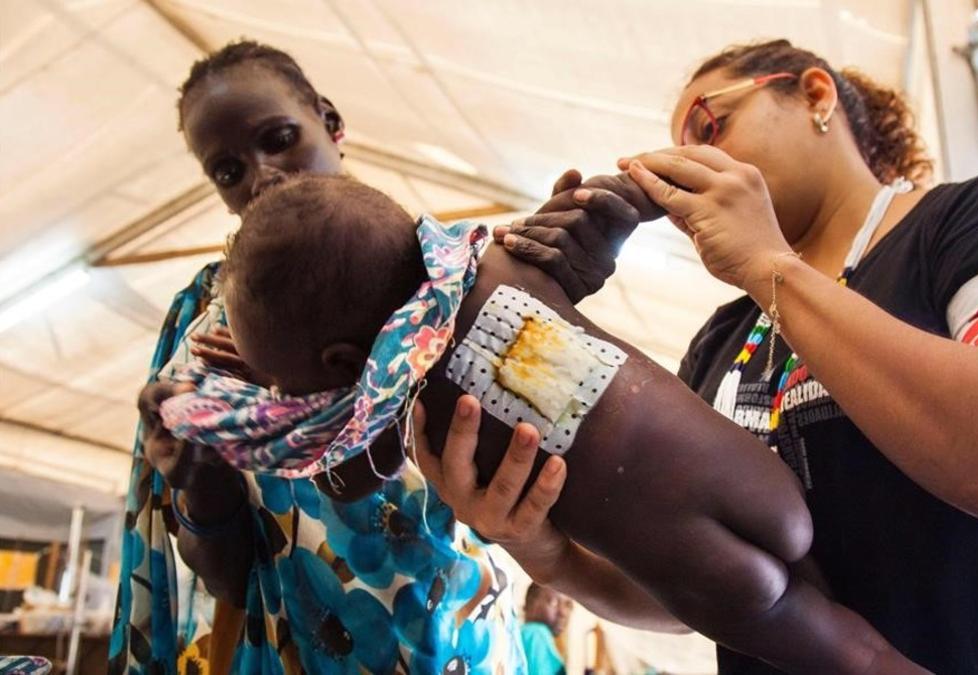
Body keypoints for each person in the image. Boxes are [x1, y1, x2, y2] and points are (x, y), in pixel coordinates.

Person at [420, 39, 978, 674]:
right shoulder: (721, 339)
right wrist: (546, 550)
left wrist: (770, 265)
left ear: (815, 94)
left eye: (709, 125)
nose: (687, 166)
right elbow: (696, 583)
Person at [180, 172, 921, 673]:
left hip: (693, 565)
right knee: (843, 605)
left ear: (343, 360)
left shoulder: (416, 400)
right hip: (753, 475)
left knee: (852, 656)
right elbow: (604, 212)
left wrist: (272, 390)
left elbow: (350, 468)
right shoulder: (509, 266)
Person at [110, 40, 637, 674]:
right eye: (227, 171)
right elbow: (229, 580)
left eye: (279, 137)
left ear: (331, 122)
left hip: (467, 657)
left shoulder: (453, 278)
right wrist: (202, 486)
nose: (262, 176)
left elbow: (584, 487)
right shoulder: (201, 325)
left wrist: (554, 302)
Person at [521, 585, 568, 675]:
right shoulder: (536, 633)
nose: (563, 612)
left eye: (568, 605)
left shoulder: (523, 634)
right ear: (530, 604)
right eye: (553, 602)